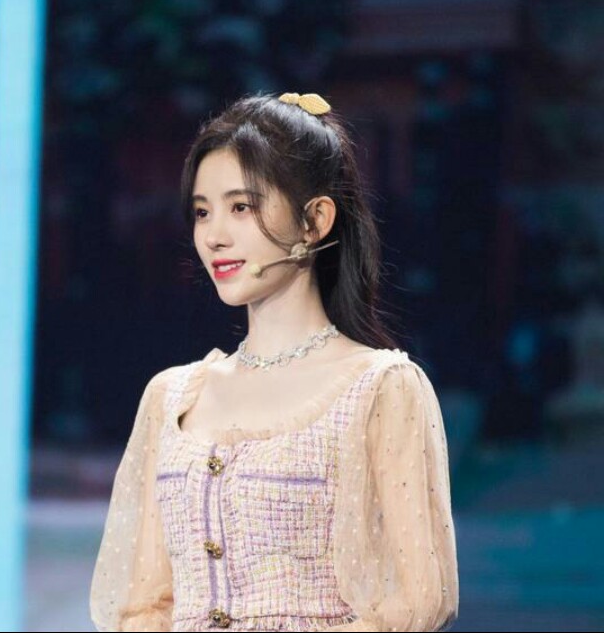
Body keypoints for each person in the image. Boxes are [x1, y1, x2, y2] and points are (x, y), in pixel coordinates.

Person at [89, 92, 459, 632]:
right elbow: (143, 604)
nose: (214, 236)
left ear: (315, 220)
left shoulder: (381, 388)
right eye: (202, 212)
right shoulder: (171, 397)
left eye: (242, 207)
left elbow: (418, 599)